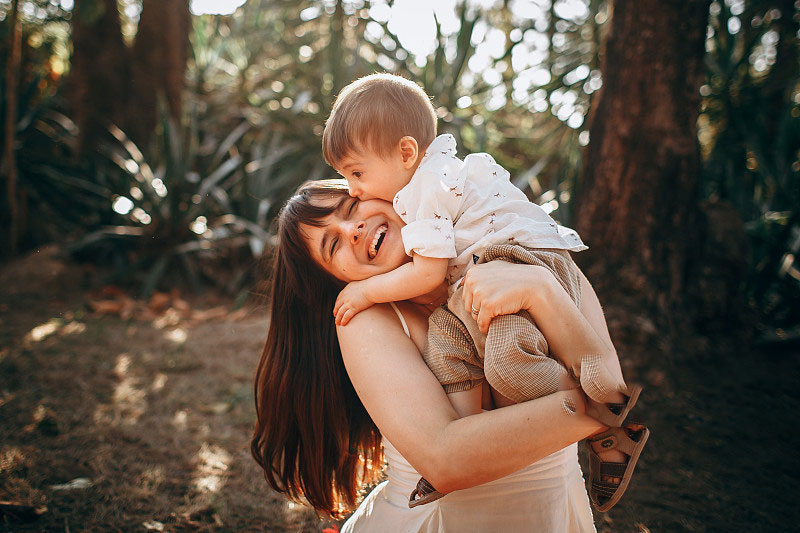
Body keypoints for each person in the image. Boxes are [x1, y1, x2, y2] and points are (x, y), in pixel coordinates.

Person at [321, 74, 648, 509]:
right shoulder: (418, 191)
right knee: (446, 346)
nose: (356, 191)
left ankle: (603, 417)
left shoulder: (428, 189)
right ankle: (471, 435)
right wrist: (452, 455)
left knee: (508, 364)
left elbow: (429, 275)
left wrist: (365, 293)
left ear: (405, 153)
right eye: (347, 179)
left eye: (356, 177)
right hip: (480, 280)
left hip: (520, 260)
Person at [251, 180, 643, 531]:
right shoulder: (367, 320)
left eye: (352, 208)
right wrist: (598, 408)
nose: (351, 230)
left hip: (556, 514)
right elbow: (446, 462)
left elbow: (611, 380)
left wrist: (539, 287)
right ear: (336, 281)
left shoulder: (523, 247)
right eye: (332, 245)